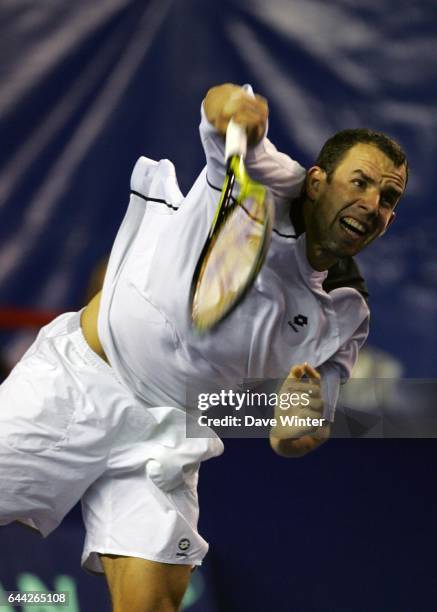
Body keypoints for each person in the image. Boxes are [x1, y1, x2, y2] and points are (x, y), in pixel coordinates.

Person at [0, 83, 408, 611]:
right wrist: (234, 109)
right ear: (316, 181)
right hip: (83, 382)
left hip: (167, 436)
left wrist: (294, 429)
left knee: (154, 605)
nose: (372, 204)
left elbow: (295, 429)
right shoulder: (259, 178)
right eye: (361, 182)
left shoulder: (347, 314)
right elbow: (219, 110)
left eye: (389, 198)